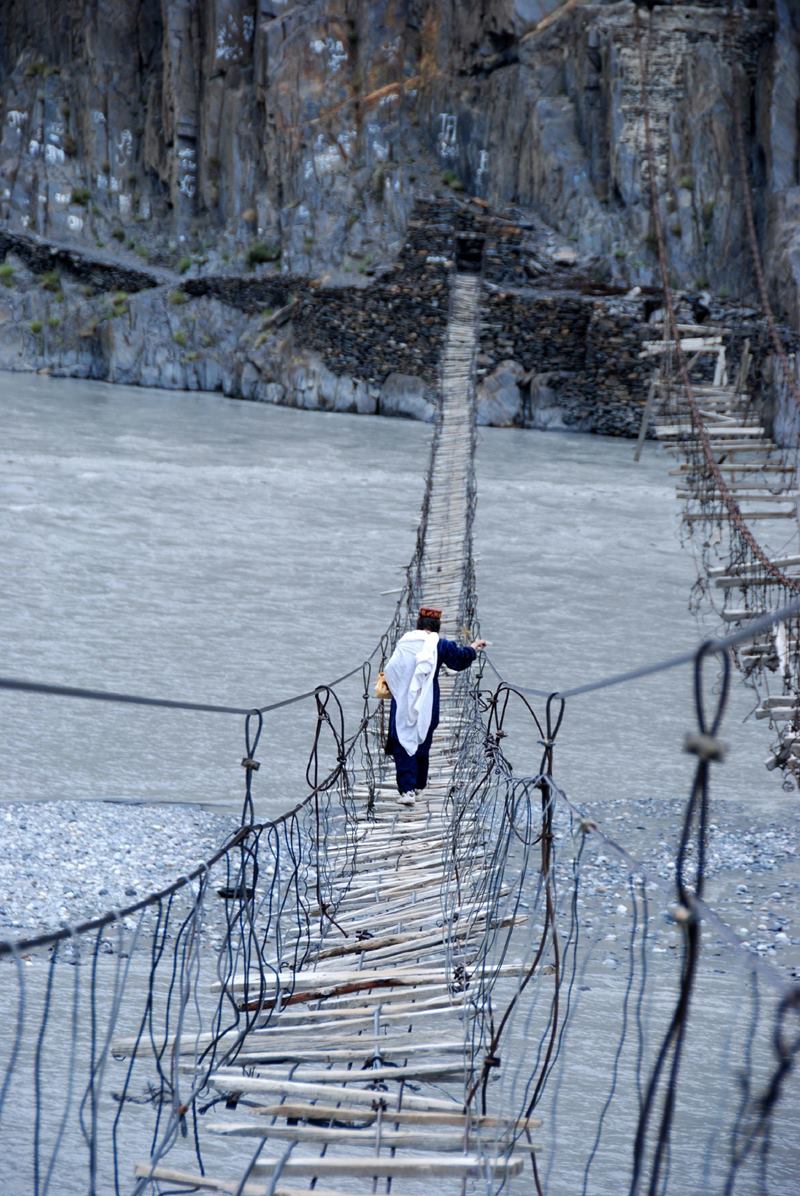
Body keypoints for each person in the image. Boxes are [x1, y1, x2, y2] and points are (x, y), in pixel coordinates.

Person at [383, 606, 486, 806]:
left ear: (418, 624)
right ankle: (420, 785)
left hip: (403, 700)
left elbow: (391, 668)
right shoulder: (439, 644)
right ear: (437, 627)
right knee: (422, 741)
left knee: (402, 742)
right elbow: (459, 660)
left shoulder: (405, 642)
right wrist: (473, 648)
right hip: (428, 704)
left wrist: (398, 686)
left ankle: (407, 790)